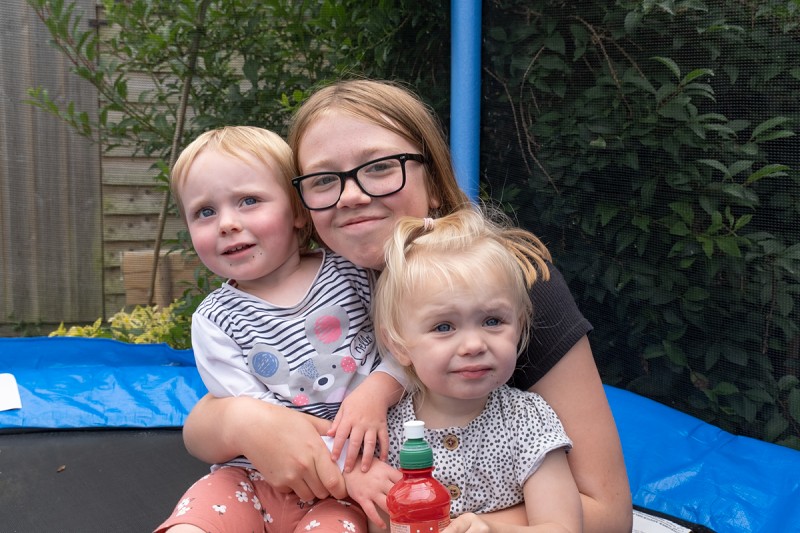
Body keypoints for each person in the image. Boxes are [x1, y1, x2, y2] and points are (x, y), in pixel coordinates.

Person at [182, 80, 633, 532]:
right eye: (324, 180)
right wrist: (241, 419)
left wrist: (464, 525)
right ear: (302, 206)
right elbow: (209, 423)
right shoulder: (321, 291)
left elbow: (608, 513)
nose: (352, 195)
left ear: (433, 181)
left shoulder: (513, 286)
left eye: (380, 167)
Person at [156, 126, 406, 533]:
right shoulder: (215, 320)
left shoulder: (354, 275)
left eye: (249, 201)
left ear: (297, 211)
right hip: (252, 478)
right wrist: (345, 465)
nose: (226, 224)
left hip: (343, 491)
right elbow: (261, 418)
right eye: (204, 212)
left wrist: (379, 389)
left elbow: (406, 348)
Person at [345, 207, 583, 533]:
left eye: (493, 321)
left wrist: (493, 530)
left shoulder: (528, 422)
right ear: (399, 345)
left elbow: (562, 527)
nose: (473, 344)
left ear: (519, 326)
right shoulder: (384, 432)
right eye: (444, 326)